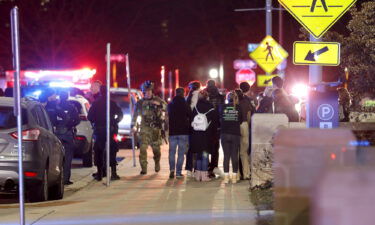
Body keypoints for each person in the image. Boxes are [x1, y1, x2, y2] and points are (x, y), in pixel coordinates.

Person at [41, 89, 80, 185]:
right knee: (68, 157)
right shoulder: (71, 107)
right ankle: (65, 179)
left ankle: (55, 178)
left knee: (55, 157)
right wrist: (68, 126)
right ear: (67, 97)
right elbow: (77, 120)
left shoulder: (50, 106)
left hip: (54, 134)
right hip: (67, 134)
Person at [131, 80, 167, 175]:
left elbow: (167, 107)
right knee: (142, 148)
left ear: (152, 91)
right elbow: (135, 115)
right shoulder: (140, 103)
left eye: (148, 91)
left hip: (155, 128)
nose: (146, 93)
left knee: (156, 149)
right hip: (144, 127)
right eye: (145, 91)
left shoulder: (158, 100)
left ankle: (157, 162)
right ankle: (144, 168)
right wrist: (133, 126)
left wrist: (159, 105)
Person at [88, 85, 123, 181]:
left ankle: (99, 174)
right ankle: (114, 173)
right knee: (112, 150)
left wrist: (96, 121)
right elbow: (120, 115)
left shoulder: (96, 103)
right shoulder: (112, 103)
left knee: (99, 151)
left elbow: (90, 117)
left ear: (100, 92)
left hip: (99, 130)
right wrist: (115, 122)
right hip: (111, 130)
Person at [190, 90, 218, 182]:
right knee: (205, 155)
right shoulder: (211, 108)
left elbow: (191, 121)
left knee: (198, 155)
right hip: (207, 136)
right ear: (207, 97)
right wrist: (214, 136)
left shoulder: (195, 108)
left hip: (196, 135)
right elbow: (215, 123)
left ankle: (198, 175)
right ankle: (204, 175)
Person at [167, 87, 191, 178]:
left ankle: (172, 170)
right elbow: (190, 114)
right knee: (181, 153)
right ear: (183, 94)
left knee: (172, 152)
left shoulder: (170, 105)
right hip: (183, 132)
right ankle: (178, 172)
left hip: (173, 132)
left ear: (175, 93)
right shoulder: (185, 104)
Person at [220, 91, 242, 184]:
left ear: (227, 98)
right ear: (236, 98)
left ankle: (226, 177)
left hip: (224, 133)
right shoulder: (238, 108)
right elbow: (241, 120)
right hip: (235, 134)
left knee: (226, 156)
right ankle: (234, 177)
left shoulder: (222, 107)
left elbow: (220, 119)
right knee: (234, 155)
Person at [204, 80, 224, 178]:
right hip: (217, 126)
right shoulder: (220, 96)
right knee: (215, 148)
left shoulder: (205, 95)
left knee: (206, 147)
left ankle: (207, 167)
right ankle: (213, 167)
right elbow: (222, 111)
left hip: (206, 125)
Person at [238, 82, 256, 180]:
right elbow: (251, 113)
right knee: (244, 151)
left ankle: (238, 174)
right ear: (248, 89)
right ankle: (246, 173)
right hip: (245, 124)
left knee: (236, 151)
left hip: (234, 127)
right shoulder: (248, 100)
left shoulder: (232, 99)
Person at [185, 81, 201, 177]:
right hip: (199, 125)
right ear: (199, 87)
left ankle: (189, 169)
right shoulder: (200, 95)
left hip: (190, 126)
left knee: (190, 148)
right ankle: (197, 169)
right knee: (199, 148)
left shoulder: (188, 97)